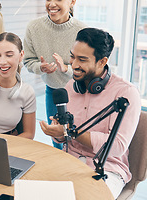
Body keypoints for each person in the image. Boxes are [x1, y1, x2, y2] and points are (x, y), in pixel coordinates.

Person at [40, 28, 141, 198]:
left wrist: (70, 132)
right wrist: (57, 133)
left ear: (102, 62)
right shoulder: (70, 87)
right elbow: (64, 137)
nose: (73, 65)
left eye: (82, 60)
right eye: (73, 56)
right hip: (68, 162)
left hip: (107, 169)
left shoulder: (126, 94)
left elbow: (117, 147)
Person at [23, 0, 87, 149]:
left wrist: (66, 68)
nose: (52, 4)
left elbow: (88, 69)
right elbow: (28, 61)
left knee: (77, 141)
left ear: (72, 1)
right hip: (53, 92)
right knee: (57, 139)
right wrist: (40, 67)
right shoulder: (34, 28)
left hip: (79, 92)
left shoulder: (82, 31)